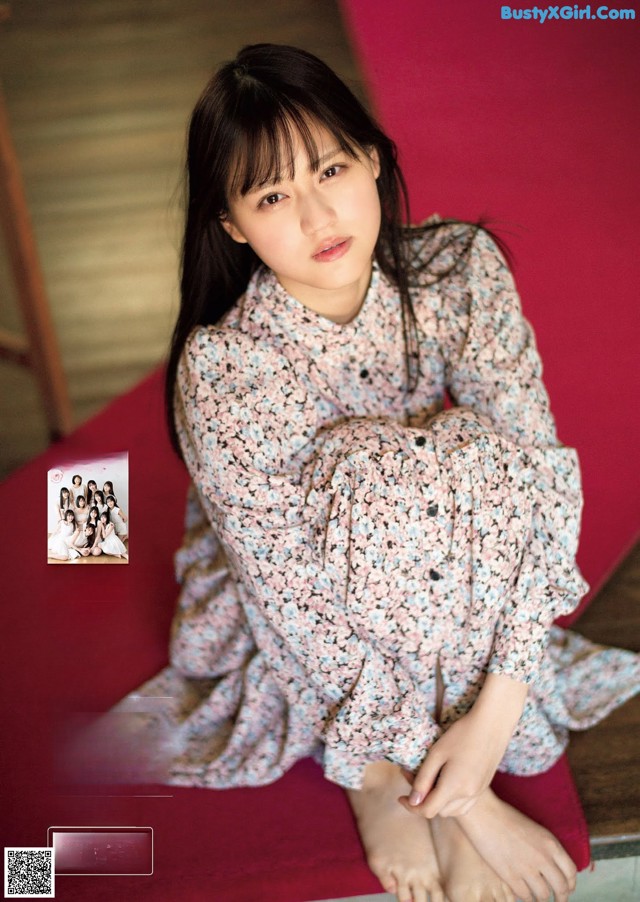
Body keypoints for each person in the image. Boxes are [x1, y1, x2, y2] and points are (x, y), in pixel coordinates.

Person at [112, 44, 640, 902]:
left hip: (470, 565)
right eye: (274, 195)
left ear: (375, 160)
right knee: (383, 469)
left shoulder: (459, 270)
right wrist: (471, 809)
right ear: (233, 223)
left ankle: (434, 770)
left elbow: (538, 480)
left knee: (471, 457)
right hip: (321, 608)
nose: (319, 214)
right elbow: (295, 603)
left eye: (332, 168)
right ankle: (384, 776)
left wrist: (497, 712)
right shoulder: (229, 369)